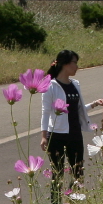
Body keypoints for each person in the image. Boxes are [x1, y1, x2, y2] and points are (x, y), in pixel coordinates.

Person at [39, 49, 91, 191]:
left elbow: (78, 109)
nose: (77, 67)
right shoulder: (50, 85)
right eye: (74, 63)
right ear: (65, 64)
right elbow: (45, 112)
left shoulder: (75, 84)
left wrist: (95, 104)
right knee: (58, 174)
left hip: (75, 134)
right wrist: (44, 136)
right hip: (56, 135)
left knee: (78, 172)